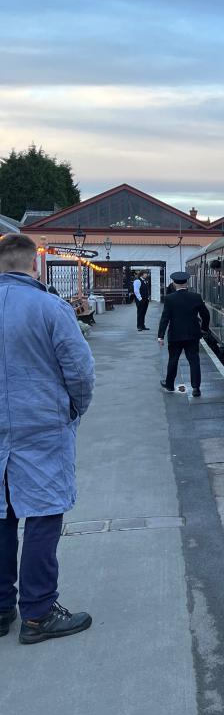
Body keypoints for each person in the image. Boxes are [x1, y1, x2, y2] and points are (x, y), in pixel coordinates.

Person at [0, 233, 95, 644]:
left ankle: (2, 608)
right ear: (34, 265)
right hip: (40, 427)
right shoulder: (51, 308)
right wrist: (73, 408)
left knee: (1, 517)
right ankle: (38, 614)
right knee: (43, 515)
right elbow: (79, 371)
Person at [157, 270, 210, 397]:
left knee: (173, 359)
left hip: (175, 335)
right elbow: (205, 314)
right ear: (187, 282)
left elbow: (165, 318)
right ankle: (196, 388)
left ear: (174, 284)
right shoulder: (196, 297)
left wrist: (160, 336)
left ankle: (169, 384)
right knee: (194, 360)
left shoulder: (169, 299)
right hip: (192, 335)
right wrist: (204, 328)